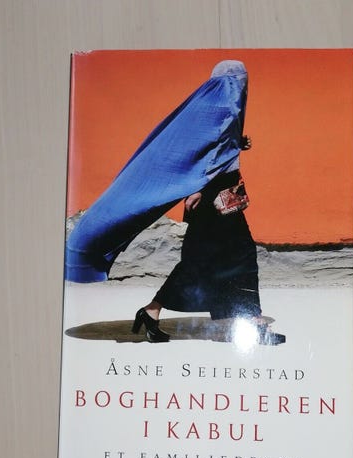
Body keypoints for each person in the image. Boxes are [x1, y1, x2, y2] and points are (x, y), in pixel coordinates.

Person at [65, 60, 284, 345]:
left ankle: (151, 312)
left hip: (218, 195)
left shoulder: (217, 105)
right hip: (212, 197)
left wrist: (237, 142)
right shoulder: (223, 104)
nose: (241, 86)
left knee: (200, 260)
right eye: (239, 80)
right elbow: (199, 150)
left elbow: (214, 145)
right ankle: (251, 320)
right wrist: (197, 189)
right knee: (240, 254)